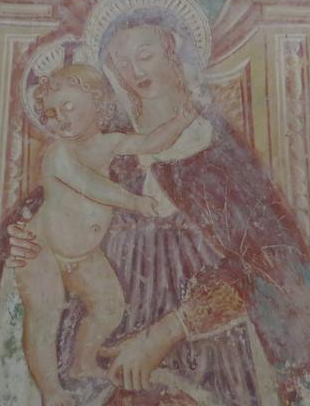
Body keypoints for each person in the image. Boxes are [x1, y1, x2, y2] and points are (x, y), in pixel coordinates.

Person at [7, 0, 310, 405]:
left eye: (145, 54)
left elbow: (268, 262)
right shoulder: (108, 149)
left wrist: (165, 332)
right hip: (110, 345)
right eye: (120, 61)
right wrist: (26, 242)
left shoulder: (217, 151)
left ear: (173, 51)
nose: (134, 70)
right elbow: (59, 209)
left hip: (211, 355)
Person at [16, 63, 196, 406]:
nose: (60, 118)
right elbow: (92, 186)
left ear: (97, 103)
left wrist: (179, 122)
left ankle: (83, 364)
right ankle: (51, 392)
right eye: (52, 113)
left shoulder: (109, 142)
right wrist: (135, 202)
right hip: (43, 251)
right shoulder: (58, 153)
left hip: (85, 255)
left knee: (109, 306)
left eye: (68, 106)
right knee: (45, 314)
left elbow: (148, 142)